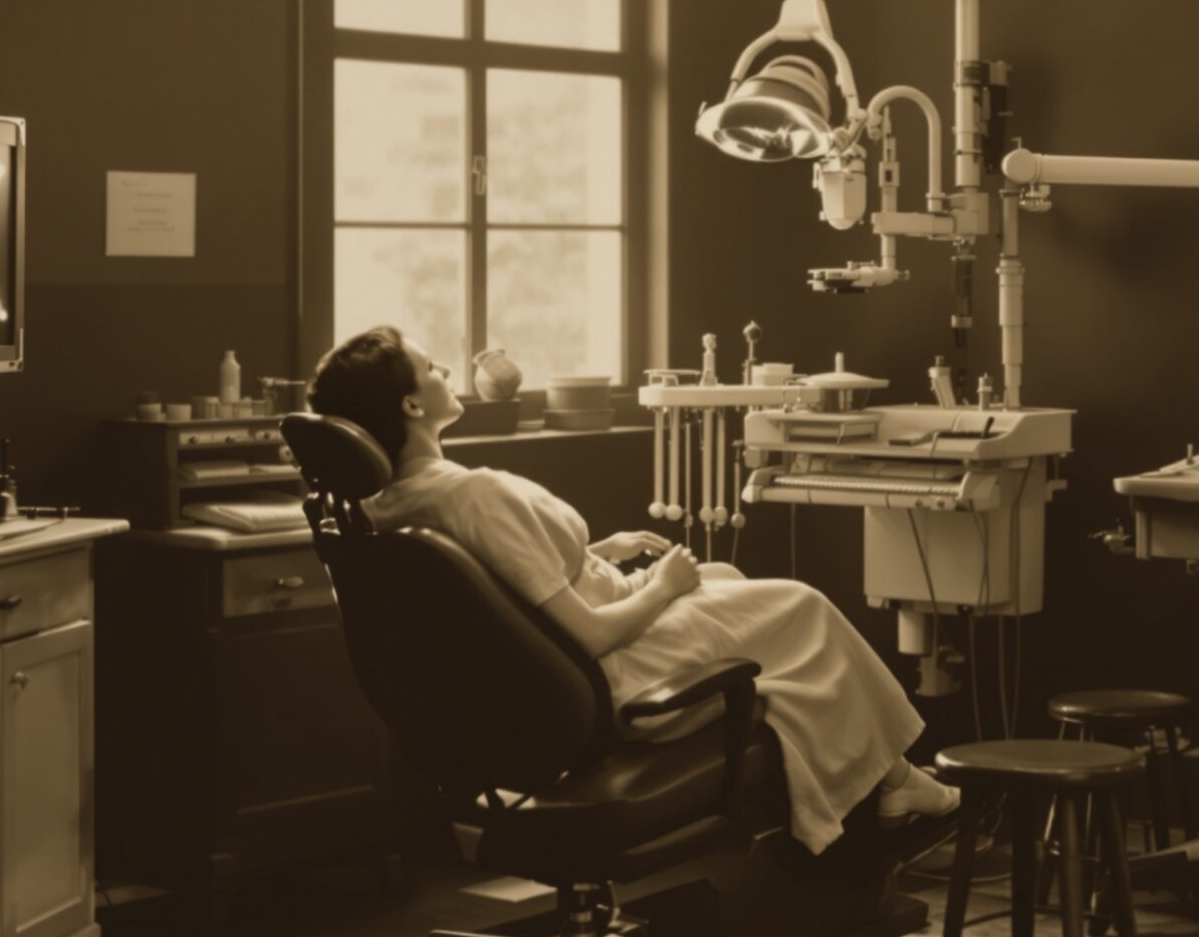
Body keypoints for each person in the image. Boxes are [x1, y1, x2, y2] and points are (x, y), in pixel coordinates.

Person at [309, 326, 960, 855]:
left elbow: (493, 598)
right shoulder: (471, 495)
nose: (447, 371)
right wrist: (663, 586)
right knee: (802, 608)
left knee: (731, 583)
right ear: (411, 405)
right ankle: (896, 779)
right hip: (608, 676)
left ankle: (865, 789)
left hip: (541, 678)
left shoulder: (394, 509)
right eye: (431, 367)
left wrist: (591, 555)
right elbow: (589, 635)